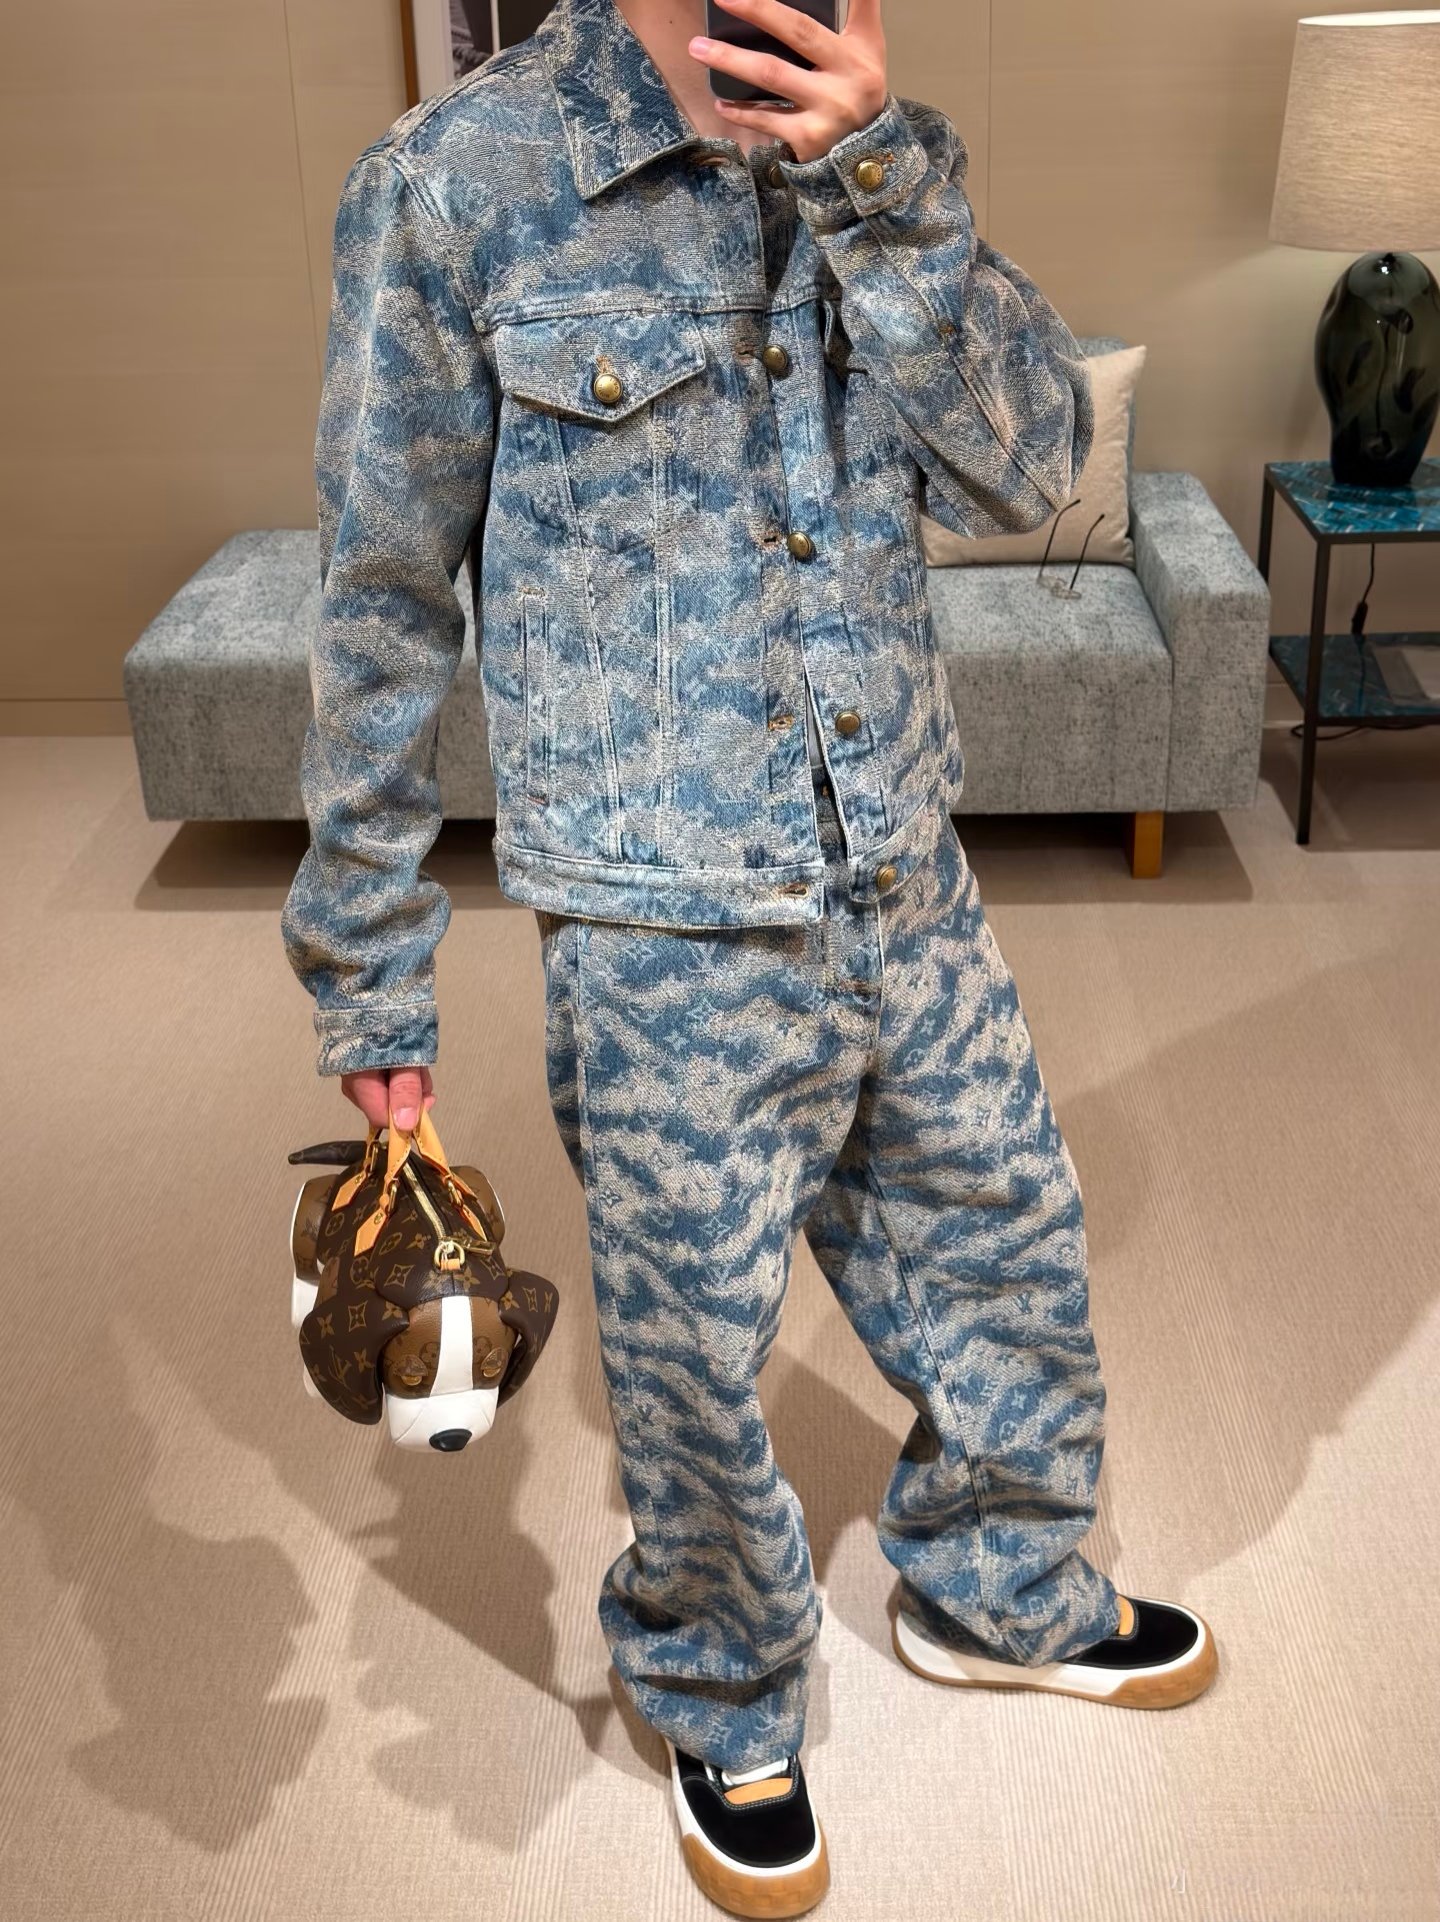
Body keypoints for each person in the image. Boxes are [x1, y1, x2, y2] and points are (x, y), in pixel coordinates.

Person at [281, 0, 1219, 1912]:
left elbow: (1032, 464)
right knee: (691, 1352)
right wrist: (368, 957)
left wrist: (880, 180)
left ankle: (999, 1584)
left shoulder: (884, 157)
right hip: (660, 917)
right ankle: (718, 1679)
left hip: (901, 860)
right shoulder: (458, 187)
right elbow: (376, 602)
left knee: (1010, 1237)